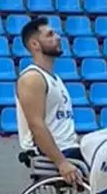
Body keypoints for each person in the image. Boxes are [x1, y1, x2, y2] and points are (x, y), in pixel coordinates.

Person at [15, 17, 84, 185]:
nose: (58, 37)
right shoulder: (32, 78)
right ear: (35, 45)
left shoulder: (56, 79)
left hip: (70, 147)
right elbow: (36, 125)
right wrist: (61, 162)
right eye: (50, 34)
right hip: (57, 153)